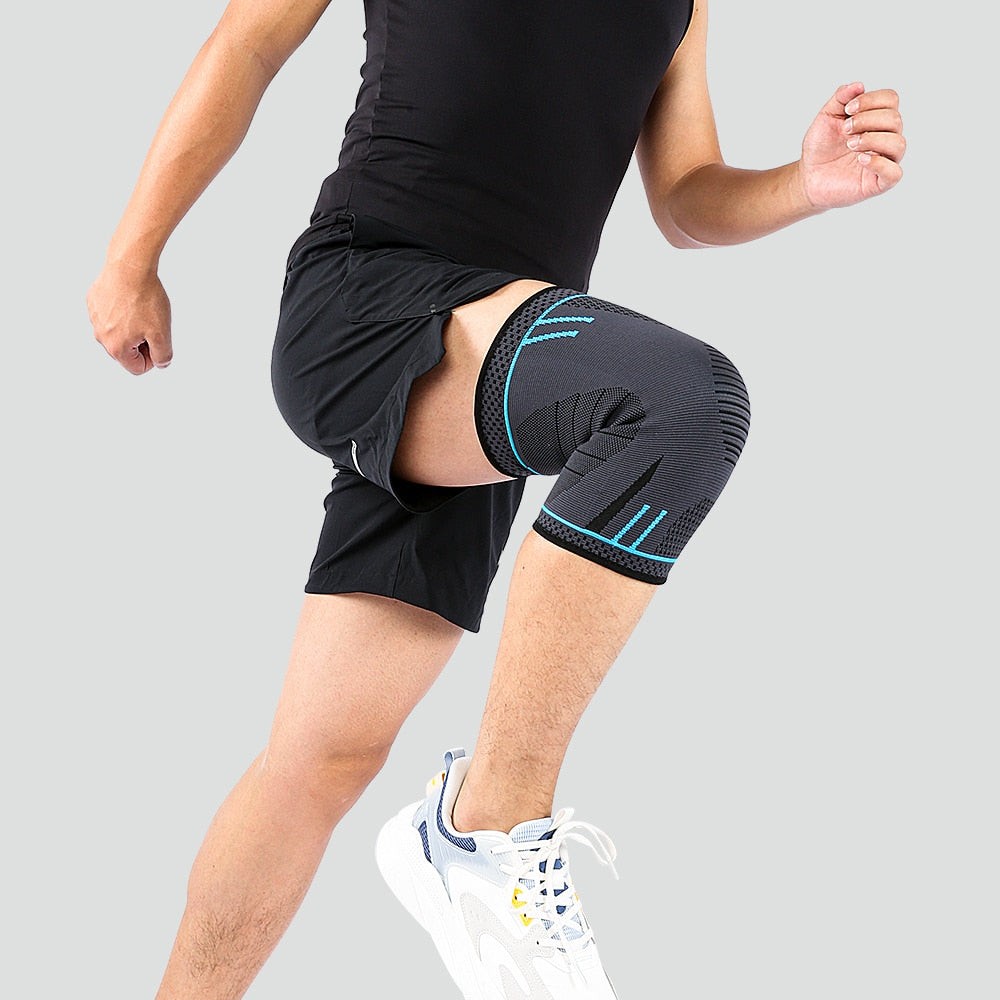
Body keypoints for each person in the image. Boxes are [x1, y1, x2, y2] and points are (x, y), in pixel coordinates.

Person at [86, 0, 906, 996]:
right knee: (682, 401)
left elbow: (685, 194)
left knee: (318, 762)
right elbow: (248, 43)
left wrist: (803, 184)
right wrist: (132, 257)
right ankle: (487, 823)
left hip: (499, 366)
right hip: (367, 299)